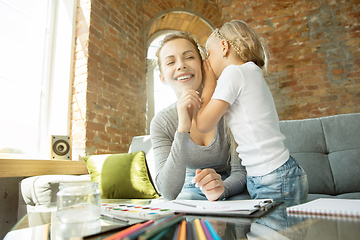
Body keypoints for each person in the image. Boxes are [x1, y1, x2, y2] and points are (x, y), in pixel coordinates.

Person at [195, 20, 308, 201]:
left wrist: (209, 84)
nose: (207, 61)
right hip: (275, 173)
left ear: (224, 47)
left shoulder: (233, 73)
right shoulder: (251, 71)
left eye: (209, 53)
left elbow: (203, 124)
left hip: (272, 177)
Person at [150, 31, 247, 201]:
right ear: (162, 78)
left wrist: (222, 188)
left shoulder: (228, 105)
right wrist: (183, 129)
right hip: (189, 190)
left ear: (203, 65)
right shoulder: (161, 122)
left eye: (189, 57)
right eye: (171, 62)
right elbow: (167, 191)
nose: (181, 65)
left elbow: (241, 171)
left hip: (232, 188)